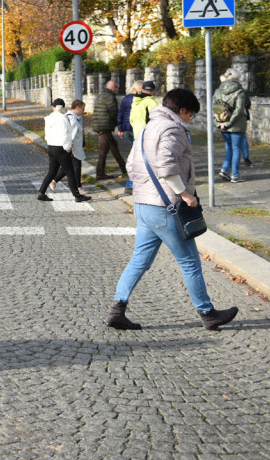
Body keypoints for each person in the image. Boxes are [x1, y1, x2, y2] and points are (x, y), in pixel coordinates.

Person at [106, 88, 239, 331]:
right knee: (190, 263)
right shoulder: (174, 129)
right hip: (166, 207)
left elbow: (130, 164)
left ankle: (117, 310)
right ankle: (207, 313)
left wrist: (142, 191)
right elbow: (166, 165)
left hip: (144, 205)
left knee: (139, 261)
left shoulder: (147, 128)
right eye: (191, 115)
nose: (190, 119)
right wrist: (184, 194)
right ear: (182, 110)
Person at [36, 98, 90, 203]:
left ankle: (41, 193)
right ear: (63, 107)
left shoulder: (49, 118)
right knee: (70, 173)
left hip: (51, 147)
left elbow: (47, 134)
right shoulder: (63, 118)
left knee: (51, 172)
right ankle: (77, 196)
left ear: (53, 107)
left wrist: (50, 144)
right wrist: (67, 147)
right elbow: (67, 134)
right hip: (61, 148)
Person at [213, 69, 250, 183]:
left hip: (223, 124)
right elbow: (239, 110)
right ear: (237, 78)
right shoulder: (240, 91)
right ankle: (235, 175)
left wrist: (220, 124)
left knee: (229, 148)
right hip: (237, 126)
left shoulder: (218, 91)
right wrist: (229, 123)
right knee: (236, 148)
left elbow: (215, 108)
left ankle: (224, 170)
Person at [92, 80, 126, 180]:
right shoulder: (110, 96)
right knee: (103, 151)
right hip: (104, 127)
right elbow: (114, 112)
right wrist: (119, 123)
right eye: (116, 87)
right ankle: (100, 173)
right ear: (112, 87)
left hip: (100, 125)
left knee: (114, 147)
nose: (117, 89)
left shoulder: (100, 95)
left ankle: (124, 168)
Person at [52, 100, 87, 193]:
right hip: (73, 148)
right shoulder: (73, 119)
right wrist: (69, 147)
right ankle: (78, 188)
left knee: (68, 167)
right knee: (75, 167)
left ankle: (54, 181)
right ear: (77, 108)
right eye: (83, 109)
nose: (83, 111)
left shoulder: (67, 116)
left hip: (70, 147)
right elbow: (72, 135)